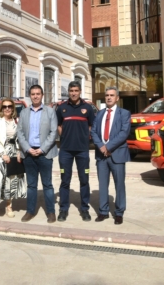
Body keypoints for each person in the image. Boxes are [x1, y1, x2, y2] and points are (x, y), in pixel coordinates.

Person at [17, 84, 58, 223]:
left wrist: (42, 149)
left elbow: (54, 132)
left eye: (38, 94)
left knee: (47, 184)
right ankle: (30, 211)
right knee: (31, 185)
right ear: (30, 96)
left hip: (44, 154)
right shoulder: (24, 113)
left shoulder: (50, 111)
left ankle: (51, 212)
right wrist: (28, 149)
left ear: (42, 95)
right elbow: (20, 133)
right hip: (29, 154)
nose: (35, 96)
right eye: (33, 94)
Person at [56, 80, 95, 222]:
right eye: (71, 91)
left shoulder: (87, 108)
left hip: (82, 151)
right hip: (65, 151)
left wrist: (84, 137)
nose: (73, 93)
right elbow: (58, 125)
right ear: (68, 92)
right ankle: (63, 209)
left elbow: (92, 125)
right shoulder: (62, 108)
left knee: (84, 180)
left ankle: (84, 209)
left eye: (76, 91)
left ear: (80, 92)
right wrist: (64, 136)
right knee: (65, 181)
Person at [91, 86, 131, 225]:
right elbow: (94, 132)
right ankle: (103, 211)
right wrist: (101, 147)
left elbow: (124, 133)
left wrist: (108, 146)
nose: (108, 97)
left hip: (117, 154)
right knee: (103, 184)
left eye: (112, 95)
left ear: (117, 98)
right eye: (107, 95)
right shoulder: (99, 114)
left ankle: (119, 212)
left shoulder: (124, 113)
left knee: (119, 184)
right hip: (101, 156)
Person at [0, 98, 27, 221]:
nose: (7, 108)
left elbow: (20, 138)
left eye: (10, 106)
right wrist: (3, 154)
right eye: (4, 107)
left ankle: (9, 206)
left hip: (14, 153)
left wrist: (19, 151)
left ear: (13, 108)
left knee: (10, 181)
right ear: (1, 109)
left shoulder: (16, 121)